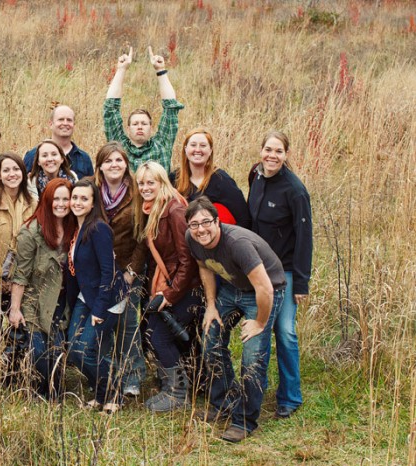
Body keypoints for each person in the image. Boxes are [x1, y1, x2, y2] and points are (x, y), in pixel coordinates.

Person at [185, 196, 286, 443]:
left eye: (206, 222)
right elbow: (205, 266)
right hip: (232, 288)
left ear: (217, 222)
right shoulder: (192, 238)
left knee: (252, 356)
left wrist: (260, 323)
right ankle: (224, 403)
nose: (200, 229)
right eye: (194, 224)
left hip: (264, 291)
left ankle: (244, 421)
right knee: (210, 340)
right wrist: (211, 305)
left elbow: (265, 289)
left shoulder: (238, 243)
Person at [248, 131, 312, 419]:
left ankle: (290, 397)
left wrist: (301, 283)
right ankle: (255, 389)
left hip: (284, 273)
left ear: (286, 155)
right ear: (260, 151)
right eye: (268, 150)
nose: (272, 156)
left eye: (278, 151)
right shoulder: (256, 176)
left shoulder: (295, 191)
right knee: (259, 328)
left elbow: (305, 238)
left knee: (284, 331)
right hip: (256, 269)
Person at [132, 162, 203, 412]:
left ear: (162, 182)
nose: (145, 188)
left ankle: (177, 393)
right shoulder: (152, 208)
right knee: (151, 331)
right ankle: (169, 384)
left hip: (186, 287)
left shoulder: (174, 210)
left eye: (150, 182)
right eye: (141, 183)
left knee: (158, 335)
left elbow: (188, 260)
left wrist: (170, 295)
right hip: (169, 282)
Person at [8, 178, 76, 399]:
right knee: (39, 354)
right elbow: (21, 274)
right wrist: (15, 309)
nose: (61, 204)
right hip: (35, 301)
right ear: (46, 200)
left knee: (56, 354)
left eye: (66, 199)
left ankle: (53, 392)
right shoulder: (30, 232)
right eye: (56, 199)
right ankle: (37, 391)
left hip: (62, 301)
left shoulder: (75, 227)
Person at [66, 178, 129, 413]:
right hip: (87, 295)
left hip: (107, 299)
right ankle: (102, 393)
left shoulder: (99, 229)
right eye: (75, 198)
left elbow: (108, 271)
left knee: (85, 350)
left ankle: (114, 392)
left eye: (84, 199)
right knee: (74, 347)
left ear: (93, 204)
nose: (77, 202)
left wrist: (100, 308)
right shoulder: (77, 228)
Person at [92, 142, 147, 397]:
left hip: (128, 268)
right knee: (102, 321)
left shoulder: (137, 192)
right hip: (100, 270)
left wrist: (131, 272)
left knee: (127, 323)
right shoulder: (91, 190)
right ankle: (107, 374)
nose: (114, 165)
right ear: (100, 166)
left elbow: (143, 237)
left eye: (118, 160)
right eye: (108, 161)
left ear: (126, 164)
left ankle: (133, 375)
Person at [0, 153, 37, 346]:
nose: (12, 174)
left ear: (23, 173)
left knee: (20, 329)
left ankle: (14, 362)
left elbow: (34, 245)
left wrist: (16, 281)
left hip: (21, 277)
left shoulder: (32, 203)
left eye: (16, 169)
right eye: (6, 170)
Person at [103, 46, 184, 174]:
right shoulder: (119, 147)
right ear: (128, 129)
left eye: (144, 123)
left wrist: (160, 70)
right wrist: (121, 69)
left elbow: (171, 109)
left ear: (151, 128)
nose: (140, 127)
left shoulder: (162, 145)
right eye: (135, 124)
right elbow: (110, 108)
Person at [172, 128, 251, 229]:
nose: (197, 149)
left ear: (210, 150)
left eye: (203, 145)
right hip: (183, 235)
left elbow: (244, 219)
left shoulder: (222, 180)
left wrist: (225, 236)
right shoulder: (174, 178)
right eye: (193, 145)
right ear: (185, 149)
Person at [23, 105, 94, 179]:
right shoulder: (33, 156)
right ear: (51, 124)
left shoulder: (84, 158)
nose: (65, 123)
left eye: (69, 120)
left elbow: (91, 185)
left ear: (74, 125)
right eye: (61, 119)